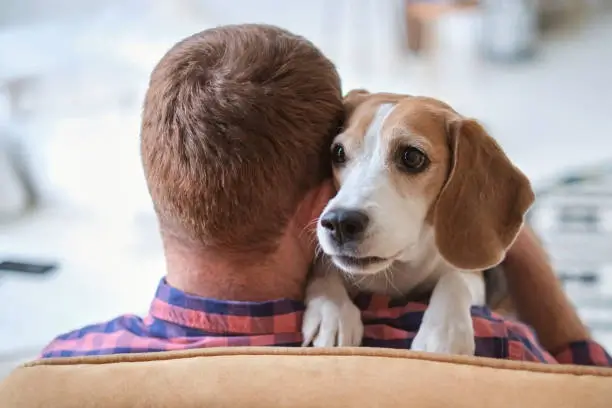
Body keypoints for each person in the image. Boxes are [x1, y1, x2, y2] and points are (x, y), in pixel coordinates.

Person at [40, 24, 610, 366]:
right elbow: (590, 386)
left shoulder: (55, 371)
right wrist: (519, 245)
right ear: (319, 192)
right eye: (341, 155)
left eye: (408, 160)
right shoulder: (500, 354)